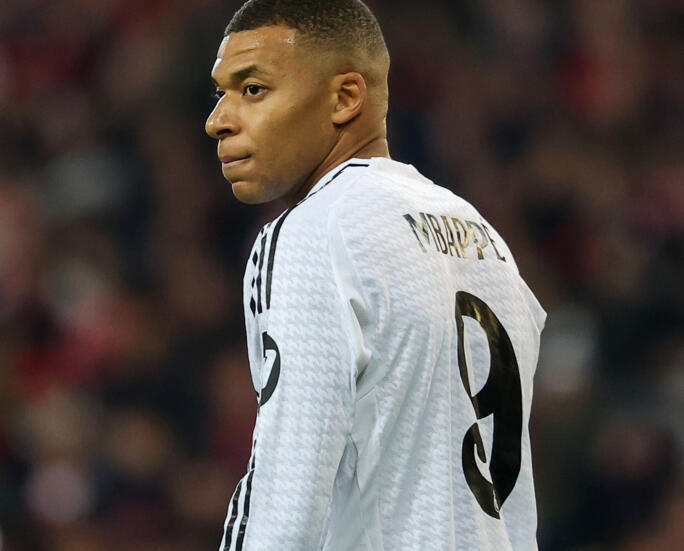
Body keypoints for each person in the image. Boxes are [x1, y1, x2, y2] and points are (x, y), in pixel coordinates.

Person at [204, 1, 546, 550]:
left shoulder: (314, 231)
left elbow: (282, 502)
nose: (217, 119)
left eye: (253, 89)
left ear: (344, 99)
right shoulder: (485, 239)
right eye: (219, 92)